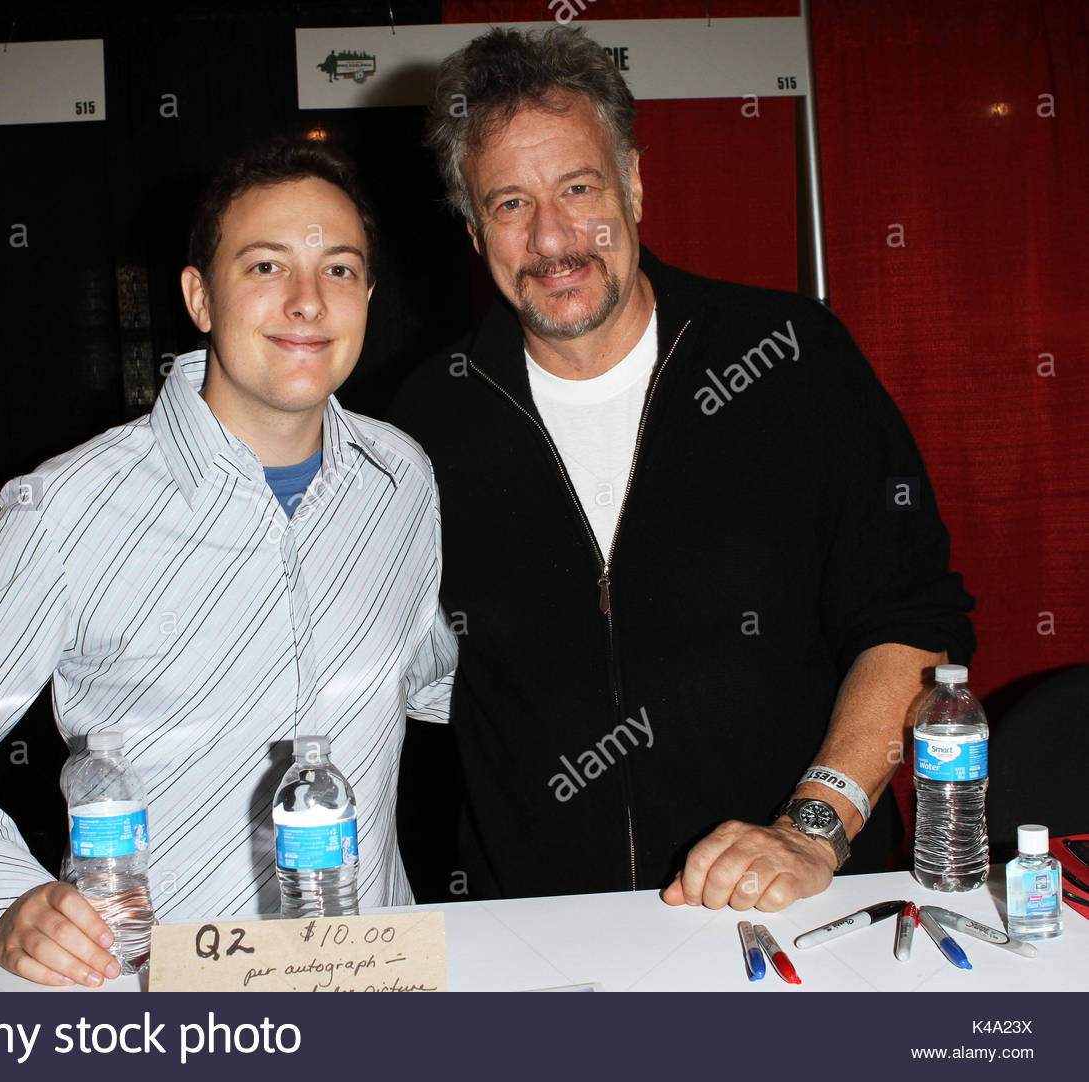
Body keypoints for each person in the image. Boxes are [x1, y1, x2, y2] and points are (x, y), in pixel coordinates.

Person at [390, 27, 974, 912]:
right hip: (544, 936)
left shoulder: (792, 358)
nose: (553, 238)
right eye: (509, 204)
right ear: (474, 233)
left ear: (632, 183)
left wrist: (812, 828)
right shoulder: (426, 421)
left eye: (578, 188)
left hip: (803, 908)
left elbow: (912, 622)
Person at [0, 136, 456, 987]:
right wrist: (4, 895)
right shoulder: (69, 508)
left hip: (369, 980)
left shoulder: (400, 479)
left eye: (339, 269)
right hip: (158, 993)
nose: (306, 301)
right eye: (263, 267)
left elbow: (430, 674)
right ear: (198, 297)